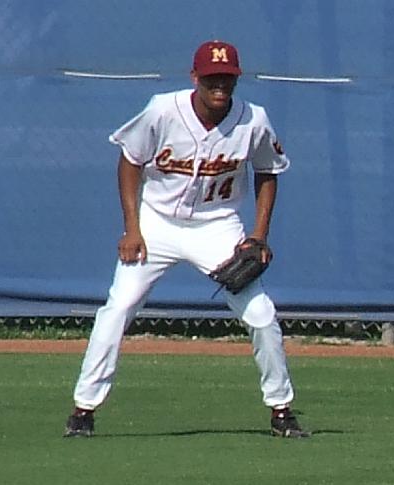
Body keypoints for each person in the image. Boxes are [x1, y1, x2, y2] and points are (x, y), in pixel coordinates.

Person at [64, 40, 308, 439]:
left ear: (236, 79)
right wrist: (132, 227)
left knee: (261, 315)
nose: (220, 85)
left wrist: (259, 234)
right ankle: (83, 410)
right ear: (195, 77)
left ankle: (282, 410)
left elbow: (268, 171)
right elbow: (130, 160)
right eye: (212, 77)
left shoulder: (253, 120)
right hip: (156, 222)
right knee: (118, 307)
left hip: (217, 225)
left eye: (227, 78)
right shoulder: (163, 110)